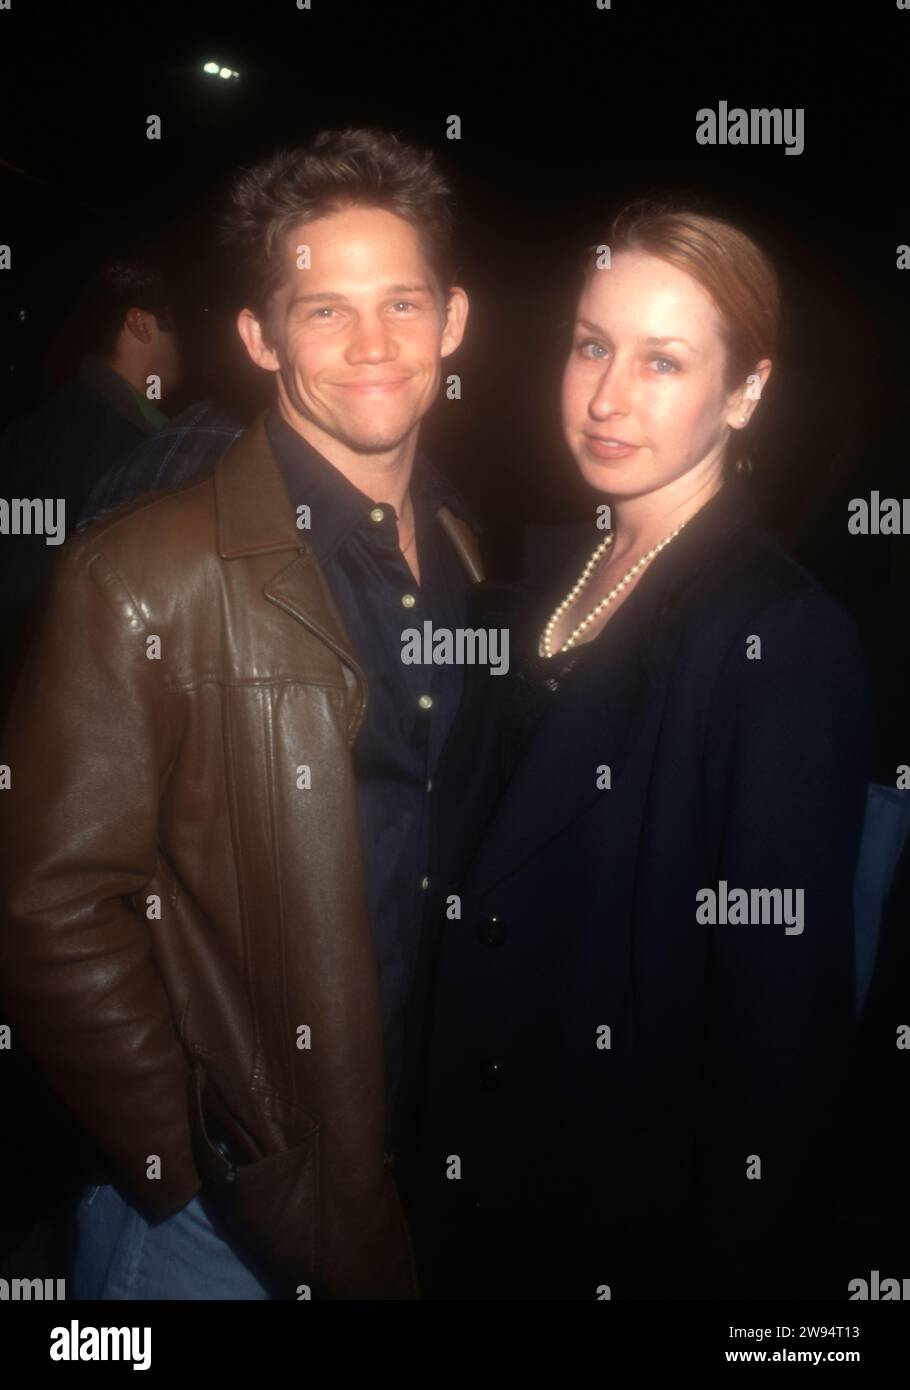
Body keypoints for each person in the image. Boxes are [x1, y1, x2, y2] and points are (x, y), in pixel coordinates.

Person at [0, 126, 485, 1300]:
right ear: (262, 337)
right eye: (324, 311)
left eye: (403, 304)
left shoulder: (462, 544)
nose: (374, 345)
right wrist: (190, 1159)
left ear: (453, 322)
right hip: (216, 1233)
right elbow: (49, 907)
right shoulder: (143, 570)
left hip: (397, 1175)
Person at [403, 200, 872, 1300]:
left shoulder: (777, 633)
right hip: (468, 1171)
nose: (607, 397)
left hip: (606, 1217)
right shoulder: (542, 576)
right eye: (591, 345)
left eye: (663, 361)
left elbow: (777, 1028)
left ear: (745, 392)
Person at [0, 253, 183, 660]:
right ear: (140, 324)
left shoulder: (111, 427)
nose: (190, 343)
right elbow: (20, 580)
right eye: (180, 325)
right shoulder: (79, 437)